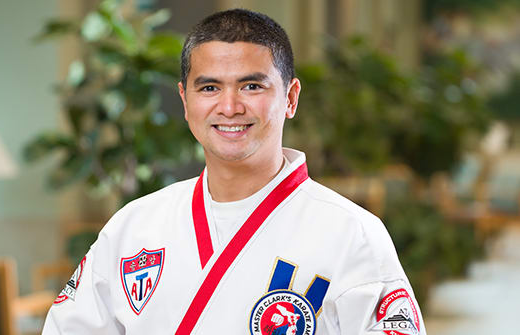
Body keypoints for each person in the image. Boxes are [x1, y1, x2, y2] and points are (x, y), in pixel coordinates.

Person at [43, 8, 426, 335]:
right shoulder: (133, 226)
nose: (229, 107)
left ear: (290, 98)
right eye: (209, 88)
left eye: (251, 86)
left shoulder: (352, 234)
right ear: (184, 100)